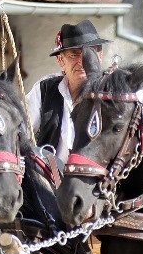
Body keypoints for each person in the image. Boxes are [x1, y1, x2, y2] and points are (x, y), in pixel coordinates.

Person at [25, 20, 111, 161]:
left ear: (100, 57)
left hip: (95, 180)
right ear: (60, 60)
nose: (82, 61)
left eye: (89, 53)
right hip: (49, 179)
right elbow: (20, 132)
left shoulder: (111, 93)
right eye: (74, 54)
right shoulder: (44, 90)